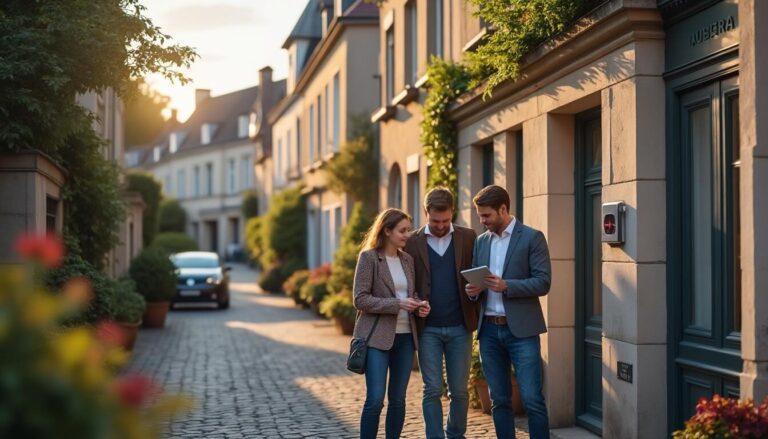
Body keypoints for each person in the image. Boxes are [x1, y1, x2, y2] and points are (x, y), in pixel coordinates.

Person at [465, 185, 552, 439]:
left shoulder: (532, 237)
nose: (482, 221)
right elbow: (476, 280)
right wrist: (473, 291)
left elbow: (543, 282)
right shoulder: (481, 241)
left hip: (522, 332)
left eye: (486, 215)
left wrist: (507, 286)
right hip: (489, 331)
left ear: (503, 209)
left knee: (532, 399)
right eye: (480, 215)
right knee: (499, 400)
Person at [403, 187, 477, 439]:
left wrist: (474, 291)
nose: (441, 226)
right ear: (426, 212)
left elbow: (477, 275)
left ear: (452, 212)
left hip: (460, 327)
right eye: (436, 221)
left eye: (446, 220)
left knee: (460, 391)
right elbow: (406, 283)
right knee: (432, 389)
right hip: (428, 329)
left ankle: (455, 434)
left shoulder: (468, 237)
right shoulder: (411, 242)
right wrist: (415, 301)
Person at [352, 208, 430, 439]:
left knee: (398, 399)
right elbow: (360, 299)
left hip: (406, 338)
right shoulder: (368, 258)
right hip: (377, 338)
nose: (407, 235)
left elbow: (410, 294)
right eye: (402, 231)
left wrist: (419, 304)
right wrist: (398, 304)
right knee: (375, 399)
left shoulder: (407, 260)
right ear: (387, 230)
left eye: (408, 230)